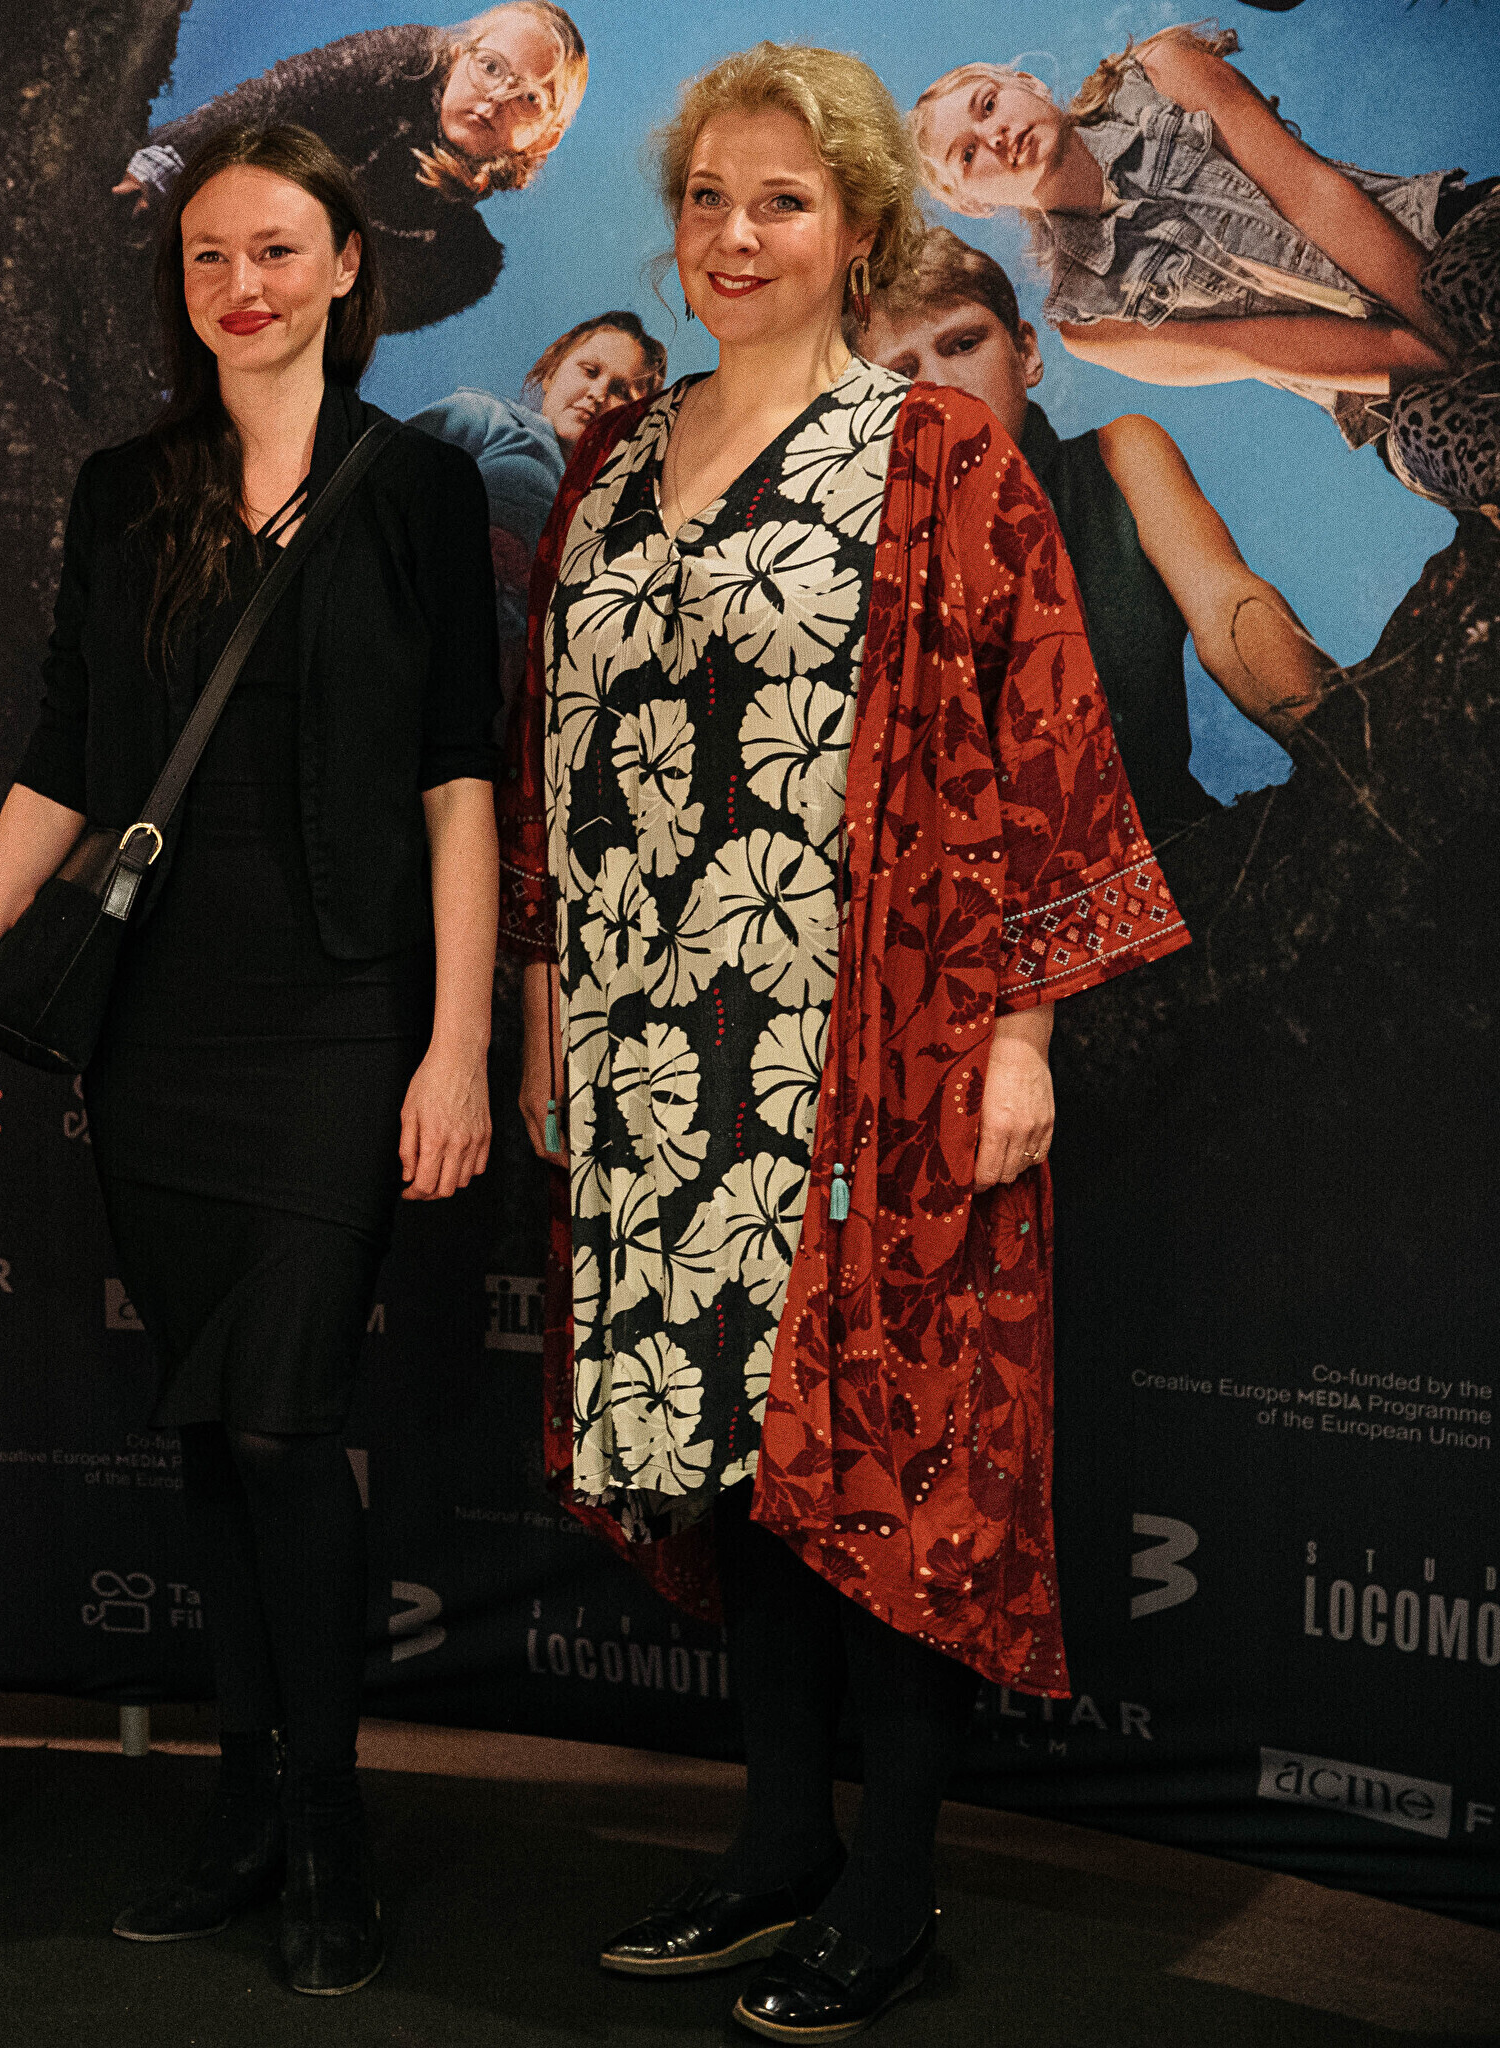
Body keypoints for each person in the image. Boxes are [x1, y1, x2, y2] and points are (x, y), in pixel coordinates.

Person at [502, 45, 1190, 2040]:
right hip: (654, 1051)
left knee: (883, 1465)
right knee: (725, 1462)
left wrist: (1021, 1038)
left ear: (861, 228)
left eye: (782, 202)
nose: (735, 236)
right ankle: (774, 1845)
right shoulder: (611, 463)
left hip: (876, 1046)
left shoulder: (939, 457)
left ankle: (889, 1888)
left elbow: (1042, 738)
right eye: (709, 200)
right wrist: (547, 1013)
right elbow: (552, 754)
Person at [0, 123, 501, 1999]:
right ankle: (244, 1804)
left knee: (280, 1420)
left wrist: (459, 1044)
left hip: (343, 1018)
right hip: (161, 1025)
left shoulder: (420, 486)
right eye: (208, 258)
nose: (241, 285)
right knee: (210, 1437)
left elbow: (460, 782)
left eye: (277, 249)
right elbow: (67, 752)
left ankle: (327, 1829)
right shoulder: (125, 489)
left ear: (348, 264)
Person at [859, 227, 1330, 849]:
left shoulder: (1120, 460)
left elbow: (1228, 608)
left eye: (964, 343)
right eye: (900, 374)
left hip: (1180, 858)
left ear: (1026, 352)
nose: (942, 389)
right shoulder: (855, 562)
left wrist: (1349, 745)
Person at [913, 23, 1498, 512]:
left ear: (1029, 84)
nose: (994, 136)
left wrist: (1453, 327)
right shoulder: (1087, 321)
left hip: (1438, 241)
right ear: (973, 204)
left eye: (988, 104)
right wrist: (1450, 362)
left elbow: (1310, 191)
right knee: (1443, 439)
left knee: (1469, 284)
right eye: (967, 154)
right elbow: (1263, 349)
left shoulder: (1159, 75)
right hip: (1394, 388)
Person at [117, 6, 588, 334]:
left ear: (547, 136)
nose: (497, 98)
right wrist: (162, 166)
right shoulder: (403, 61)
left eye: (530, 97)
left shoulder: (461, 262)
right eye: (490, 67)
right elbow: (273, 95)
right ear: (459, 55)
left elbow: (335, 330)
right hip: (192, 205)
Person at [410, 311, 669, 656]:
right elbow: (383, 470)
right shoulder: (489, 418)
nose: (598, 393)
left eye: (620, 391)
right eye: (590, 371)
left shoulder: (612, 511)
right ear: (551, 374)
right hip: (419, 618)